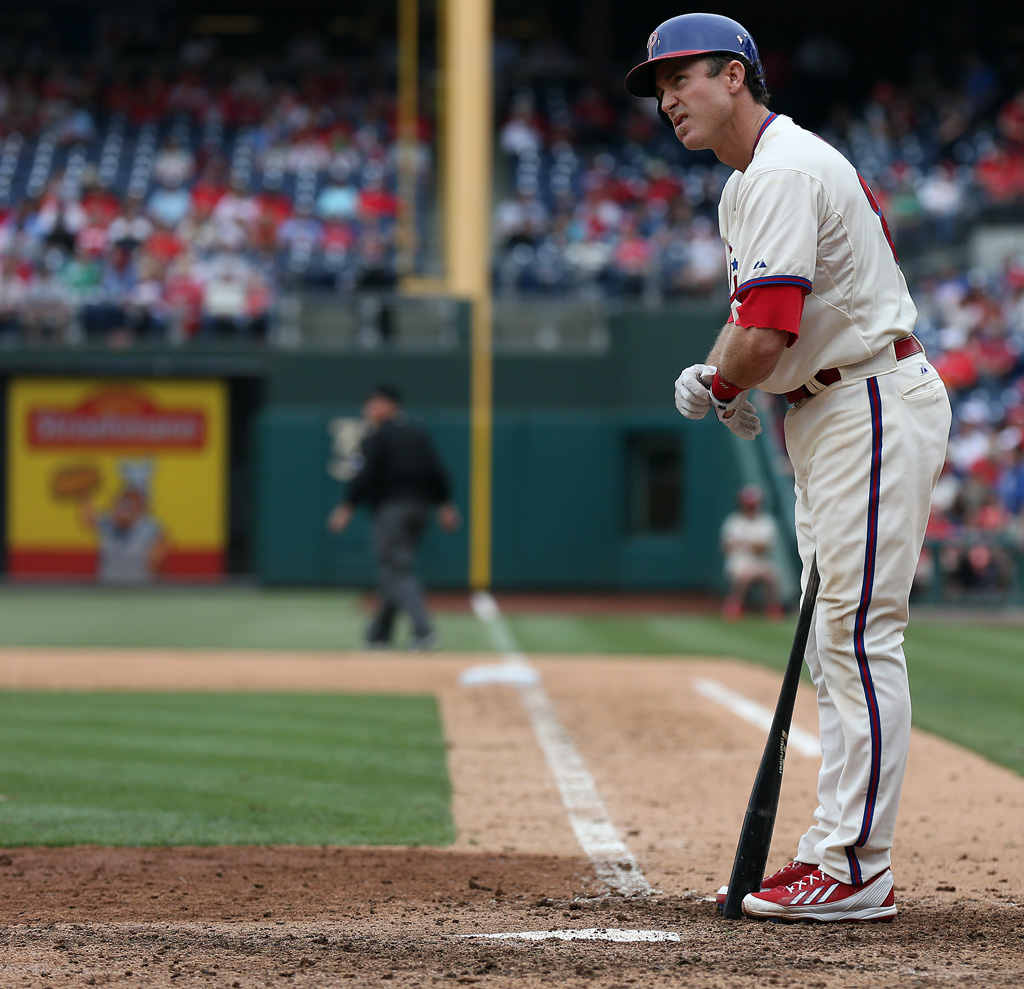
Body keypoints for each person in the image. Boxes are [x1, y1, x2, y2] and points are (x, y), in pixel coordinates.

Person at [625, 14, 951, 922]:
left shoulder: (780, 169)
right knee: (834, 641)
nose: (667, 100)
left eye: (678, 79)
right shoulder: (749, 184)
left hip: (869, 398)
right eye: (658, 88)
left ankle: (854, 867)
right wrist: (735, 382)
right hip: (832, 407)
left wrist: (725, 375)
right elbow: (773, 327)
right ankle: (833, 854)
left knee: (854, 635)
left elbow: (765, 331)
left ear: (735, 75)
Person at [327, 384, 460, 650]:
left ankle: (424, 632)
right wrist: (445, 504)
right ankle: (380, 632)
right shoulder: (417, 434)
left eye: (376, 403)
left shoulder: (376, 437)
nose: (370, 408)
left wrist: (347, 506)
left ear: (392, 406)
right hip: (420, 510)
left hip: (393, 509)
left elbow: (364, 476)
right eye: (369, 403)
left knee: (396, 569)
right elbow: (439, 472)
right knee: (394, 568)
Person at [719, 484, 783, 620]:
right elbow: (726, 546)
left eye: (753, 505)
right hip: (739, 562)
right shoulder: (733, 521)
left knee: (770, 575)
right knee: (744, 575)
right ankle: (734, 605)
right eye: (748, 505)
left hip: (760, 561)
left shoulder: (766, 521)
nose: (750, 508)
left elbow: (764, 548)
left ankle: (773, 607)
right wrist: (749, 545)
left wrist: (744, 544)